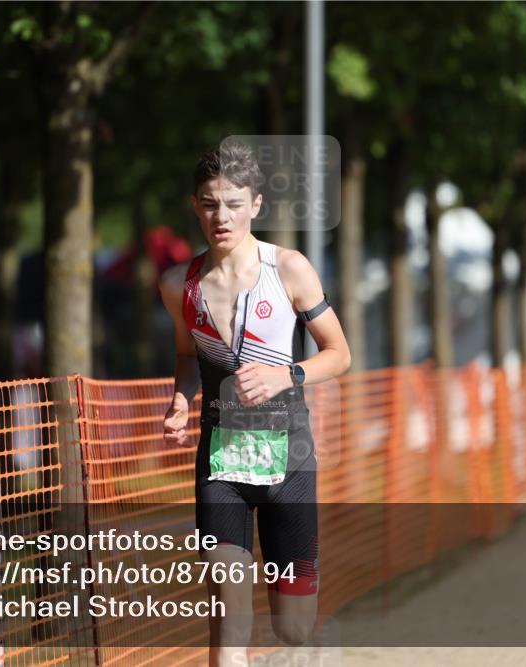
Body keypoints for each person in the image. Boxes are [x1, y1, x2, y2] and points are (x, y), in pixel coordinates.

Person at [157, 142, 351, 664]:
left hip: (289, 458)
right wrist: (180, 399)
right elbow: (185, 355)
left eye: (234, 203)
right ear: (195, 206)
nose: (222, 216)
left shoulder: (288, 269)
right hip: (221, 462)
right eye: (210, 203)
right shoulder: (179, 285)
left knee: (292, 630)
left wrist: (287, 374)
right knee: (229, 616)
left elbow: (340, 354)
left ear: (256, 205)